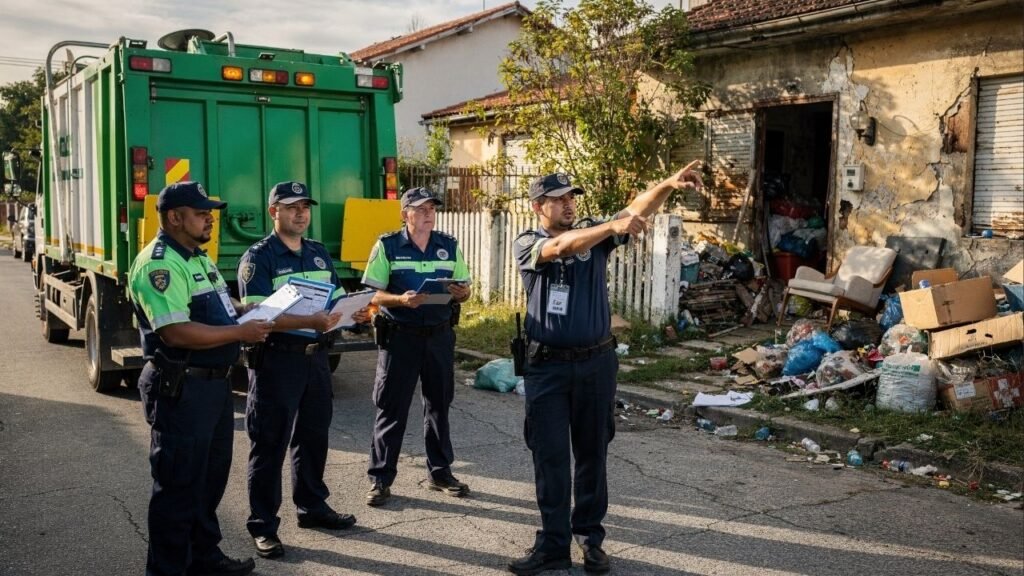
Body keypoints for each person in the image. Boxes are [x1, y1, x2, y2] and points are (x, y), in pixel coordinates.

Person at [508, 163, 702, 575]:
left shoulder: (595, 236)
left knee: (593, 455)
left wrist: (667, 184)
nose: (569, 203)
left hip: (597, 364)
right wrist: (614, 227)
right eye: (559, 199)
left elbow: (637, 210)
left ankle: (590, 541)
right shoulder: (528, 242)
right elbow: (562, 249)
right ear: (538, 206)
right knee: (551, 458)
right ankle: (553, 545)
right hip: (547, 368)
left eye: (571, 197)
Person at [127, 181, 274, 576]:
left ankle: (204, 558)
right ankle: (168, 569)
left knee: (209, 480)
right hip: (181, 388)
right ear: (175, 218)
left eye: (209, 211)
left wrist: (256, 310)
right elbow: (175, 332)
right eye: (201, 212)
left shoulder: (198, 259)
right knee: (177, 487)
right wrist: (240, 333)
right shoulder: (160, 264)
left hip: (212, 386)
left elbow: (225, 310)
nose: (210, 218)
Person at [236, 181, 367, 559]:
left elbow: (337, 297)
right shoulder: (258, 257)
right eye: (291, 207)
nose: (301, 213)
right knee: (270, 442)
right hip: (278, 358)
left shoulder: (318, 253)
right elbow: (258, 315)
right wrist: (309, 318)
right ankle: (263, 525)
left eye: (305, 207)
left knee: (313, 436)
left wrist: (353, 311)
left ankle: (311, 507)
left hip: (316, 358)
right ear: (273, 211)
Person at [360, 187, 472, 507]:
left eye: (432, 208)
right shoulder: (387, 246)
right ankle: (380, 478)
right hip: (400, 337)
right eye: (421, 208)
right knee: (391, 408)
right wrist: (401, 300)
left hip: (439, 336)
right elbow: (372, 296)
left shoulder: (448, 245)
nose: (428, 214)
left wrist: (461, 293)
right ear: (404, 214)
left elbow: (464, 290)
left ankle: (440, 472)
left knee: (438, 406)